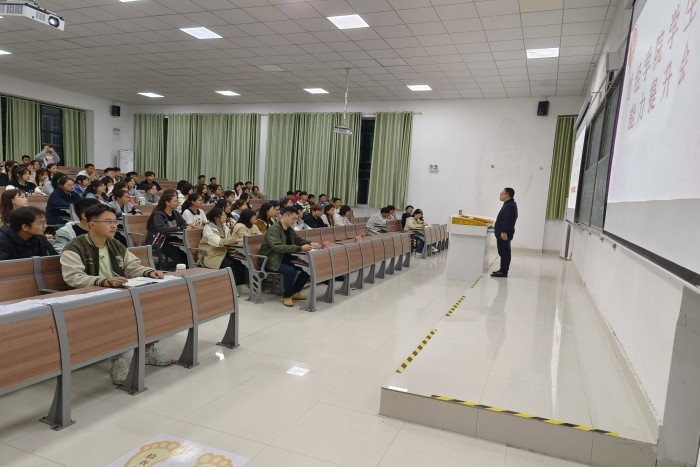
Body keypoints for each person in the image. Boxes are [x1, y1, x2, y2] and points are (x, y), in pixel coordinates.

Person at [60, 204, 171, 384]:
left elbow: (132, 266)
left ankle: (147, 350)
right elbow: (73, 277)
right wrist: (103, 281)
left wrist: (149, 272)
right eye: (108, 221)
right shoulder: (75, 246)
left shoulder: (114, 244)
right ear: (92, 224)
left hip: (115, 293)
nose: (113, 226)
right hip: (87, 297)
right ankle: (117, 360)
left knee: (149, 305)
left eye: (115, 221)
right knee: (116, 313)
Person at [259, 206, 321, 307]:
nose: (294, 221)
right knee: (290, 271)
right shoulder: (274, 229)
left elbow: (298, 240)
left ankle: (294, 292)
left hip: (285, 258)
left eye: (296, 219)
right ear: (285, 216)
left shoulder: (289, 229)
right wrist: (300, 248)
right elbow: (278, 247)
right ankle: (287, 296)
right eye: (293, 219)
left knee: (308, 268)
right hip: (272, 259)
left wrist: (310, 243)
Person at [145, 193, 188, 266]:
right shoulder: (158, 214)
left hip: (172, 238)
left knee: (187, 253)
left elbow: (184, 224)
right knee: (179, 255)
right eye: (175, 201)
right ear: (167, 203)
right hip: (159, 240)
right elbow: (163, 229)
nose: (177, 203)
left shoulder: (176, 213)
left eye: (177, 201)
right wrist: (179, 228)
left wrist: (184, 227)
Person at [491, 187, 518, 278]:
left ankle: (503, 272)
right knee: (503, 252)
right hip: (503, 233)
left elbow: (508, 220)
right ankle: (502, 270)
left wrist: (504, 231)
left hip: (504, 234)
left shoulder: (509, 206)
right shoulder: (509, 204)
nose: (500, 194)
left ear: (507, 195)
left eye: (502, 193)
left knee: (505, 253)